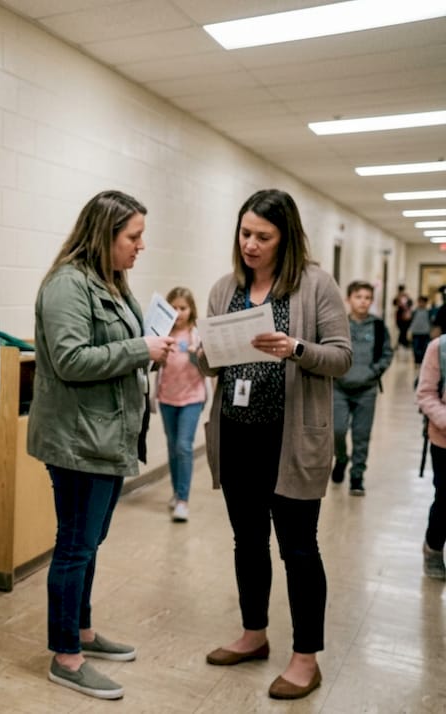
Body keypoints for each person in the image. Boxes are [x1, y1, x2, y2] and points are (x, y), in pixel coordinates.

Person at [197, 189, 351, 701]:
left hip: (291, 441)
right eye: (245, 234)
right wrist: (204, 353)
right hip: (237, 435)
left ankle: (306, 658)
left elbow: (341, 357)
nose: (251, 245)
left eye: (263, 236)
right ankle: (254, 633)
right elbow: (210, 364)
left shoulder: (315, 286)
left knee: (299, 549)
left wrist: (296, 348)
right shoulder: (226, 288)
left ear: (285, 238)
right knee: (247, 541)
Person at [28, 190, 172, 700]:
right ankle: (66, 656)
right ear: (104, 234)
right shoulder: (69, 284)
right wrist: (141, 348)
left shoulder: (109, 282)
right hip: (77, 442)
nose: (141, 246)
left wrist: (150, 348)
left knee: (89, 545)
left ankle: (84, 632)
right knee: (73, 548)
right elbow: (70, 359)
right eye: (133, 237)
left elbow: (112, 352)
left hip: (108, 437)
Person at [331, 280, 392, 496]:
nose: (363, 302)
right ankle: (341, 458)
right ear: (348, 300)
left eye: (367, 298)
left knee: (361, 435)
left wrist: (374, 372)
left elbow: (387, 353)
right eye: (358, 297)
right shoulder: (339, 325)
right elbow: (330, 351)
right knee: (337, 430)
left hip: (366, 390)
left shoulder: (377, 326)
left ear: (371, 301)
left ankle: (357, 476)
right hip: (339, 387)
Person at [156, 286, 206, 522]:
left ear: (191, 309)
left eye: (183, 308)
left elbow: (207, 367)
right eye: (174, 308)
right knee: (173, 446)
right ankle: (176, 492)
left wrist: (197, 354)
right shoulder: (162, 334)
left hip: (192, 398)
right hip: (167, 397)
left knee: (184, 446)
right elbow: (155, 365)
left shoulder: (196, 334)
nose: (179, 312)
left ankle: (184, 500)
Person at [413, 336, 446, 581]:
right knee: (445, 498)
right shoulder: (439, 348)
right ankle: (433, 546)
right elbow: (425, 394)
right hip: (444, 439)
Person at [410, 296, 432, 366]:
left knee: (424, 348)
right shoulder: (415, 312)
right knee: (416, 348)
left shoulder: (428, 312)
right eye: (420, 302)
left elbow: (431, 322)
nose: (421, 304)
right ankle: (417, 361)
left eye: (423, 302)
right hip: (416, 332)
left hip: (425, 332)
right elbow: (411, 322)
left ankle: (422, 361)